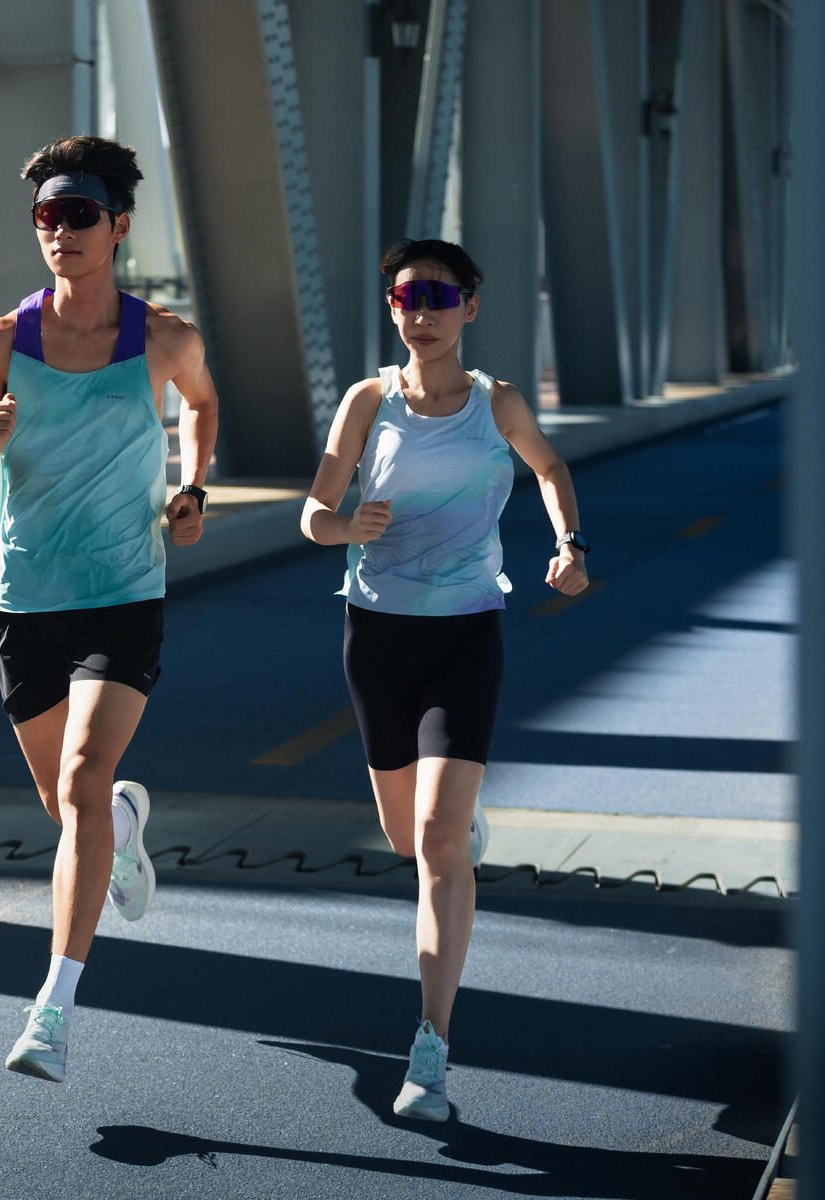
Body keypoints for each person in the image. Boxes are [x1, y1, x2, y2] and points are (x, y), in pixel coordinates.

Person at [0, 136, 220, 1083]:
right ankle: (123, 835)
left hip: (120, 588)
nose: (60, 231)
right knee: (72, 805)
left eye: (80, 216)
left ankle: (52, 1008)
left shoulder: (164, 337)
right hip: (21, 593)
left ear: (119, 227)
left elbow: (202, 405)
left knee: (86, 784)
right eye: (46, 217)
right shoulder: (0, 343)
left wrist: (193, 491)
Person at [300, 238, 589, 1120]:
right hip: (378, 636)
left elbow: (549, 467)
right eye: (404, 296)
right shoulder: (366, 401)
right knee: (406, 837)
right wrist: (346, 527)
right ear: (391, 309)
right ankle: (455, 828)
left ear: (470, 305)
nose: (420, 311)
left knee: (436, 840)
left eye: (438, 295)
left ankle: (431, 1048)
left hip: (466, 633)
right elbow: (313, 513)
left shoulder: (497, 402)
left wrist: (570, 545)